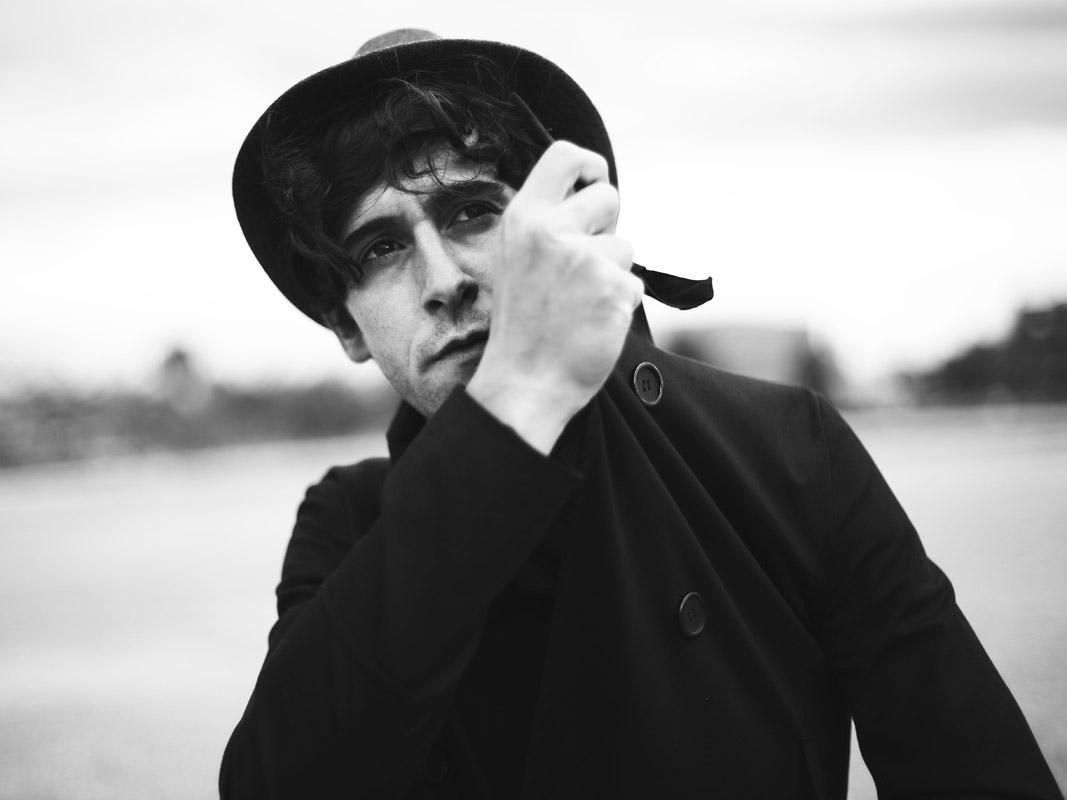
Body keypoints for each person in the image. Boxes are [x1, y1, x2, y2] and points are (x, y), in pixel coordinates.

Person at [220, 29, 1062, 799]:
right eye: (380, 247)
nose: (443, 280)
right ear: (345, 326)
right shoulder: (348, 523)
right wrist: (516, 396)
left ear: (574, 228)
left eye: (472, 210)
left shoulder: (787, 454)